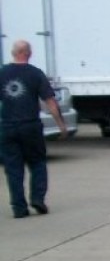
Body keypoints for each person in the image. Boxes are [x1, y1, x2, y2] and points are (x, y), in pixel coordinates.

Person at [0, 39, 67, 218]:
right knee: (37, 163)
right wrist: (61, 125)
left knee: (13, 168)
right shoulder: (35, 74)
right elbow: (50, 101)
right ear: (28, 53)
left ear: (14, 53)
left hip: (7, 126)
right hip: (30, 125)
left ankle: (19, 207)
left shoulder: (2, 73)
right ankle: (37, 198)